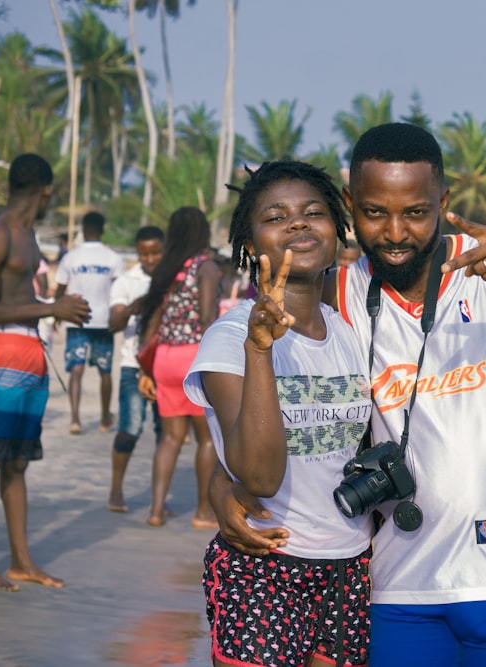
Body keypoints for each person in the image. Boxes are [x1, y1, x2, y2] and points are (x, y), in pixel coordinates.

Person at [211, 123, 486, 667]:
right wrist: (218, 478)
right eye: (375, 213)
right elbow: (298, 412)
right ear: (351, 204)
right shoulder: (338, 296)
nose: (396, 232)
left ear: (441, 202)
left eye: (417, 213)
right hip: (397, 586)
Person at [185, 160, 375, 667]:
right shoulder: (229, 340)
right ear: (250, 246)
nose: (297, 223)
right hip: (264, 563)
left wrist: (216, 488)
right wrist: (260, 349)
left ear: (338, 233)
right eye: (276, 215)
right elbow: (260, 476)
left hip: (348, 569)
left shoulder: (352, 334)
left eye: (314, 212)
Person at [0, 153, 91, 591]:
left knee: (15, 462)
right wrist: (51, 307)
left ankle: (21, 561)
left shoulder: (29, 235)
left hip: (30, 351)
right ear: (47, 189)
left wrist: (53, 309)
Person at [138, 207, 220, 528]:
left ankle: (156, 510)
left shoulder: (167, 268)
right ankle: (203, 512)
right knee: (207, 439)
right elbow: (206, 318)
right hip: (193, 356)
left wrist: (145, 369)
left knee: (169, 439)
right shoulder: (206, 267)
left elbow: (154, 320)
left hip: (165, 357)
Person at [106, 225, 165, 513]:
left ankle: (158, 500)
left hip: (164, 367)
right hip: (133, 366)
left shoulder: (173, 279)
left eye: (156, 252)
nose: (151, 259)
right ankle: (116, 490)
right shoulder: (126, 282)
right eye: (145, 254)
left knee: (165, 434)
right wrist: (134, 307)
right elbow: (113, 322)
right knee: (129, 430)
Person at [54, 210, 123, 434]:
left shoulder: (71, 257)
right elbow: (120, 291)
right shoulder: (113, 258)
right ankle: (104, 419)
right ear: (102, 230)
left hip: (76, 319)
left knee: (76, 369)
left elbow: (61, 289)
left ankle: (75, 419)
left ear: (82, 230)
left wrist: (56, 314)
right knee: (105, 371)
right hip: (104, 321)